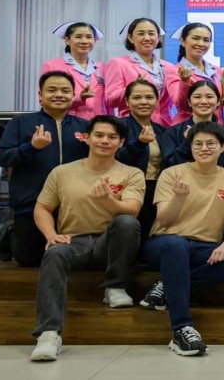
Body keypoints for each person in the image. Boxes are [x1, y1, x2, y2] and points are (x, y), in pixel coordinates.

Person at [29, 115, 144, 361]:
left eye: (112, 137)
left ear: (121, 142)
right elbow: (42, 209)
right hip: (74, 242)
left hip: (108, 243)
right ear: (86, 138)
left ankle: (115, 286)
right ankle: (49, 334)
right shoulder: (62, 172)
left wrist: (107, 200)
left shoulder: (132, 173)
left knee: (127, 223)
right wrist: (52, 235)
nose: (105, 141)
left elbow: (132, 210)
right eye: (99, 135)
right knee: (53, 254)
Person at [143, 121, 224, 356]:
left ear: (223, 147)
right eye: (198, 144)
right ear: (191, 147)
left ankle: (168, 284)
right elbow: (163, 220)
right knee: (176, 245)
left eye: (211, 144)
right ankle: (182, 328)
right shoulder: (172, 173)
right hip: (165, 243)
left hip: (205, 248)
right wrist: (178, 198)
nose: (204, 148)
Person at [0, 71, 89, 266]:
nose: (59, 95)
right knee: (29, 259)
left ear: (73, 96)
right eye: (51, 90)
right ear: (40, 96)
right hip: (31, 201)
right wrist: (32, 147)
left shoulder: (85, 126)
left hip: (72, 205)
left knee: (71, 256)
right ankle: (13, 232)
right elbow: (2, 157)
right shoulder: (21, 123)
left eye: (65, 91)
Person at [115, 79, 168, 254]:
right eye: (137, 97)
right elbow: (114, 159)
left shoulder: (162, 130)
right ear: (127, 101)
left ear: (157, 100)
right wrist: (138, 143)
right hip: (126, 190)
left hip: (156, 189)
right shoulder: (118, 126)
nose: (144, 102)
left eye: (149, 97)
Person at [105, 18, 175, 127]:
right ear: (130, 38)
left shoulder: (169, 67)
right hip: (131, 126)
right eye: (141, 34)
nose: (147, 38)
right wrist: (132, 87)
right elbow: (110, 100)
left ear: (159, 38)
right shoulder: (118, 63)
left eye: (151, 33)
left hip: (165, 126)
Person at [40, 21, 106, 119]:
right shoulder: (52, 65)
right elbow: (45, 99)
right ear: (67, 40)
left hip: (99, 124)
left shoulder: (102, 67)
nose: (84, 41)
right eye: (78, 36)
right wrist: (79, 97)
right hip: (68, 121)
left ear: (94, 41)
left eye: (89, 37)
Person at [163, 80, 224, 170]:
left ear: (218, 102)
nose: (204, 101)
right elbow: (168, 166)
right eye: (197, 97)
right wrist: (186, 144)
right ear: (189, 102)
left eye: (209, 97)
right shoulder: (172, 133)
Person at [165, 23, 224, 125]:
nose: (201, 44)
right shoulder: (173, 71)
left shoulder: (218, 71)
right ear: (183, 41)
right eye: (196, 38)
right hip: (187, 129)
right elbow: (182, 105)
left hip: (217, 129)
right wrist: (185, 82)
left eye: (206, 40)